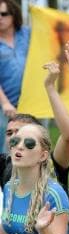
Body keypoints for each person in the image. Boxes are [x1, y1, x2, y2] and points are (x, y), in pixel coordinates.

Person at [0, 61, 69, 234]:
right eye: (12, 137)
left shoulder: (53, 176)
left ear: (43, 154)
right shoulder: (9, 184)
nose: (18, 144)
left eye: (28, 142)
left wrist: (50, 87)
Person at [0, 124, 69, 234]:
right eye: (15, 141)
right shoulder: (9, 187)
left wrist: (44, 230)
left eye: (29, 144)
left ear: (43, 156)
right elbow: (6, 232)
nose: (20, 146)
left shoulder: (54, 195)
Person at [0, 0, 30, 152]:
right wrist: (5, 103)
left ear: (14, 15)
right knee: (5, 149)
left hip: (32, 102)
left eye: (3, 14)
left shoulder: (27, 34)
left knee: (35, 143)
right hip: (4, 107)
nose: (0, 17)